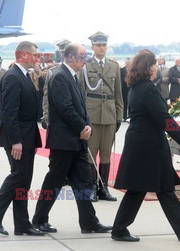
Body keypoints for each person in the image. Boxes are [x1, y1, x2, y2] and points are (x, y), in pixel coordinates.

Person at [112, 49, 180, 242]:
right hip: (147, 147)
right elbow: (164, 118)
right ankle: (119, 229)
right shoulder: (147, 88)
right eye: (153, 64)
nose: (155, 68)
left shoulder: (138, 87)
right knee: (142, 189)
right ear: (148, 67)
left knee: (162, 188)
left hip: (144, 144)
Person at [32, 43, 112, 234]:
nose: (86, 59)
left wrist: (87, 126)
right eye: (82, 55)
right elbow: (64, 107)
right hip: (64, 141)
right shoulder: (60, 76)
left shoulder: (71, 76)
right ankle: (39, 219)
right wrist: (81, 127)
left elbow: (82, 108)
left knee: (83, 182)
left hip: (76, 140)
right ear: (70, 57)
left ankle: (89, 222)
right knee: (55, 181)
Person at [0, 41, 44, 236]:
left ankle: (22, 225)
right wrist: (16, 141)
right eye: (34, 55)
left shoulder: (24, 75)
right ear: (23, 55)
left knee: (24, 181)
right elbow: (9, 113)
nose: (37, 58)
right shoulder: (12, 77)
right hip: (17, 137)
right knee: (18, 176)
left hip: (27, 135)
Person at [80, 31, 123, 202]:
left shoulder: (114, 66)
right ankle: (91, 188)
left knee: (106, 153)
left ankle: (103, 188)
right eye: (98, 45)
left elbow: (118, 93)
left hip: (109, 115)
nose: (101, 48)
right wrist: (82, 117)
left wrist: (119, 115)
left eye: (104, 45)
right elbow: (81, 92)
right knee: (91, 152)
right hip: (91, 115)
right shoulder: (85, 66)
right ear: (92, 47)